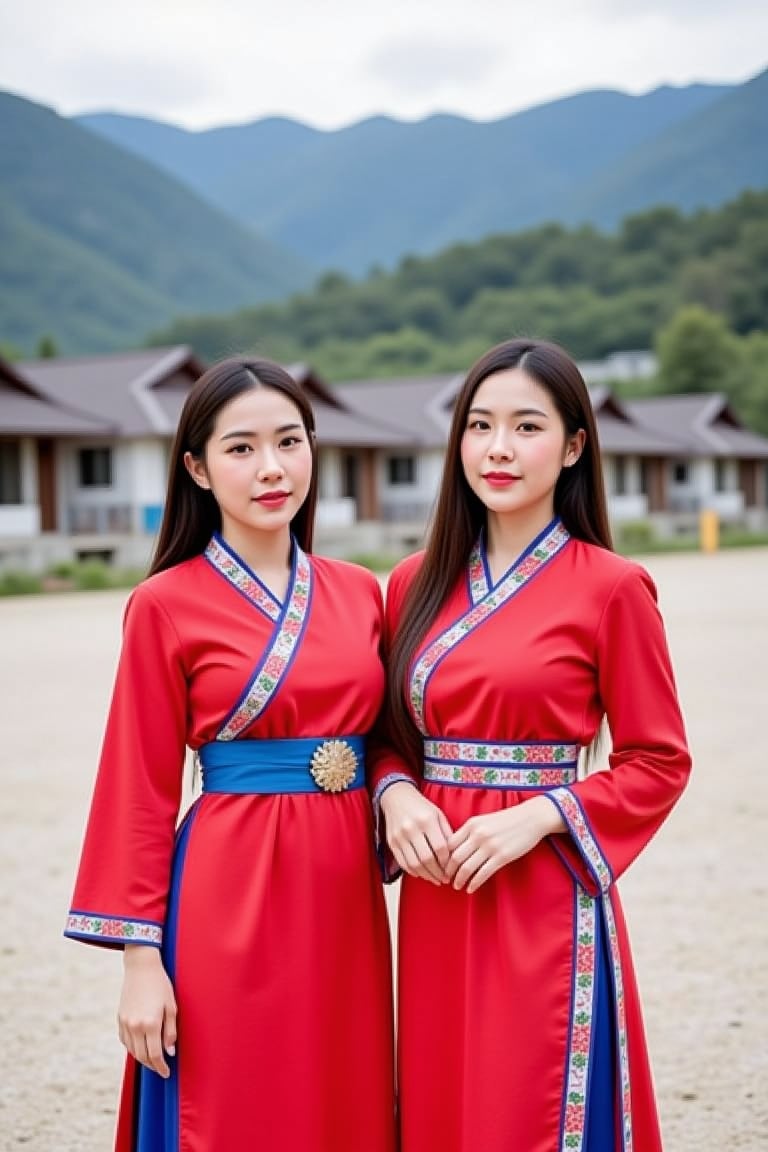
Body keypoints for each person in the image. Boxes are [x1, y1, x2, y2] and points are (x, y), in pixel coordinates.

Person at [65, 357, 396, 1152]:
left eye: (290, 441)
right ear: (197, 468)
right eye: (241, 448)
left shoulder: (360, 592)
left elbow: (388, 738)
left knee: (343, 1094)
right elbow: (137, 787)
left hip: (344, 887)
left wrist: (394, 793)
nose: (272, 468)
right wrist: (140, 963)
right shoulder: (164, 604)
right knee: (232, 1100)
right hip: (229, 882)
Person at [370, 338, 692, 1152]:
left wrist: (542, 815)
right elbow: (383, 736)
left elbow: (659, 760)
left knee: (530, 1104)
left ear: (576, 445)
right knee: (446, 1104)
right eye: (480, 426)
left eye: (526, 427)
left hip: (544, 890)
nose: (499, 449)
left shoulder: (613, 588)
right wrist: (395, 793)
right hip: (440, 887)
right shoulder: (414, 583)